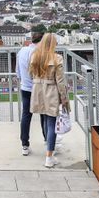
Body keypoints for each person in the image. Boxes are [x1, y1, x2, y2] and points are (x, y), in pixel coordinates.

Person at [28, 33, 69, 169]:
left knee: (45, 120)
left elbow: (30, 74)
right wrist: (64, 98)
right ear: (52, 44)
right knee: (51, 123)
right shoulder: (57, 58)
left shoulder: (34, 56)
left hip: (37, 90)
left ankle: (49, 152)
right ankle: (49, 157)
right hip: (51, 91)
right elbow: (61, 81)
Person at [15, 28, 44, 156]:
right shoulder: (41, 53)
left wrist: (24, 81)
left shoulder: (22, 50)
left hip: (25, 87)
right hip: (40, 87)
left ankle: (24, 145)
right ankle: (48, 141)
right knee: (45, 114)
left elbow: (17, 72)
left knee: (26, 116)